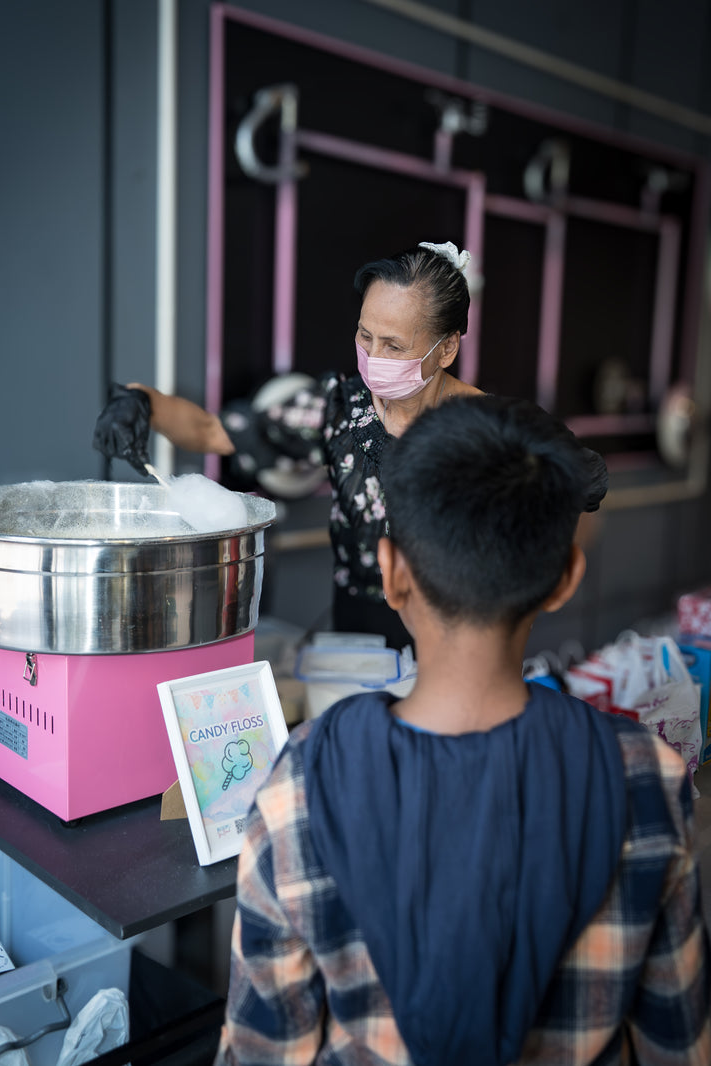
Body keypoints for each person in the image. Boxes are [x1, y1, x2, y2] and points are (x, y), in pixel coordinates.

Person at [213, 395, 711, 1066]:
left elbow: (259, 1054)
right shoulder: (650, 778)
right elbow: (676, 1046)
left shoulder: (296, 789)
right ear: (565, 578)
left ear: (391, 572)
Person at [92, 240, 481, 650]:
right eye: (366, 336)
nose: (373, 356)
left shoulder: (491, 434)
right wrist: (141, 402)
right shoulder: (338, 408)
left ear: (448, 348)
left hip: (461, 635)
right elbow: (211, 431)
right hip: (359, 635)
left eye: (394, 346)